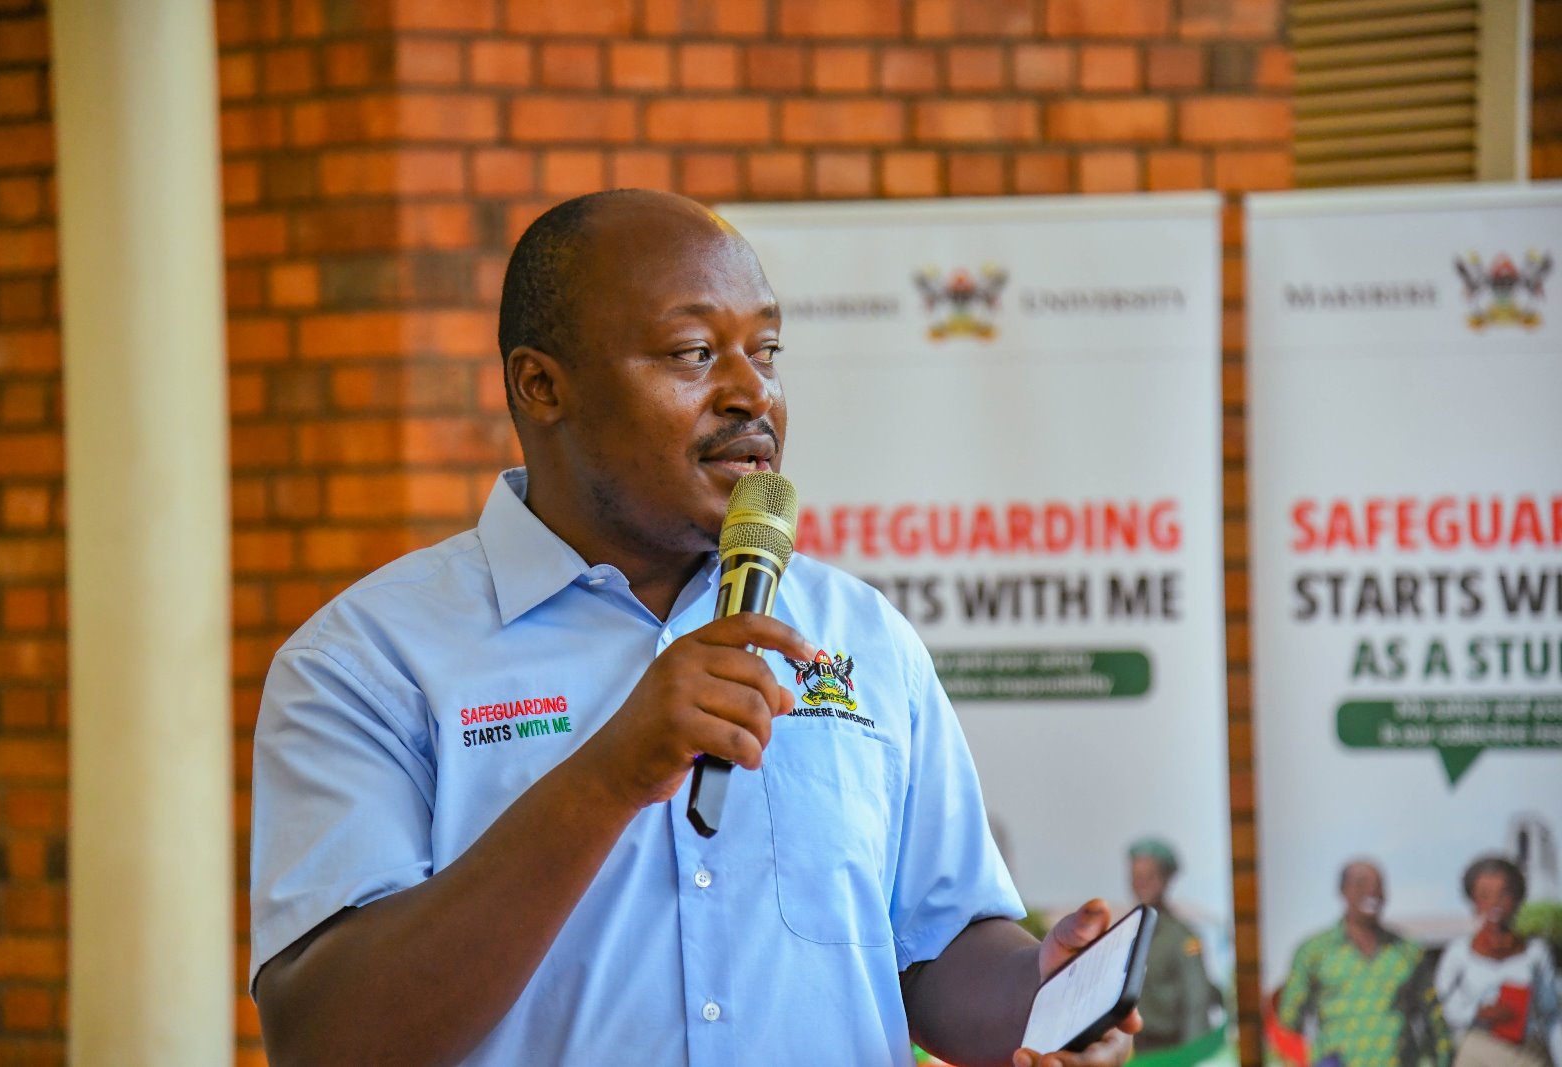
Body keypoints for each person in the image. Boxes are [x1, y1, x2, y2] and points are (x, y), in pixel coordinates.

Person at [247, 189, 1142, 1067]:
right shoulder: (368, 663)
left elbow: (933, 953)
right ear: (541, 385)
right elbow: (328, 1035)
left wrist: (1042, 995)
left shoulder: (860, 634)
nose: (751, 392)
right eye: (692, 352)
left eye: (767, 349)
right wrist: (610, 775)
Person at [1277, 859, 1453, 1067]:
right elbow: (1287, 1024)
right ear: (1343, 891)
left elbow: (1434, 1022)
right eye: (1361, 883)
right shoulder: (1315, 952)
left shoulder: (1407, 951)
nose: (1372, 890)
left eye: (1378, 885)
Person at [1434, 855, 1562, 1067]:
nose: (1494, 903)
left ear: (1517, 898)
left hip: (1526, 1052)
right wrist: (1478, 1012)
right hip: (1477, 1051)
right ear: (1473, 900)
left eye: (1503, 894)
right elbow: (1441, 1005)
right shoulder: (1459, 952)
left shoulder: (1535, 952)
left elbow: (1550, 1012)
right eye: (1485, 895)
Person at [1127, 838, 1218, 1053]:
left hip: (1170, 1049)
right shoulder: (1127, 935)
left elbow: (1196, 1003)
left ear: (1166, 879)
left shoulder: (1182, 939)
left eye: (1150, 876)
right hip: (1134, 1050)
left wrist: (1193, 1056)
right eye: (1136, 876)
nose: (1142, 884)